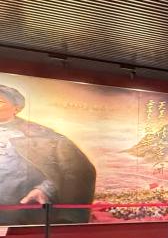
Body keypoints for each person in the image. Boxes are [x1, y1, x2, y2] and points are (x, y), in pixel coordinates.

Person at [0, 83, 96, 226]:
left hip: (18, 210)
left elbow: (77, 169)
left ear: (16, 108)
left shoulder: (44, 136)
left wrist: (46, 189)